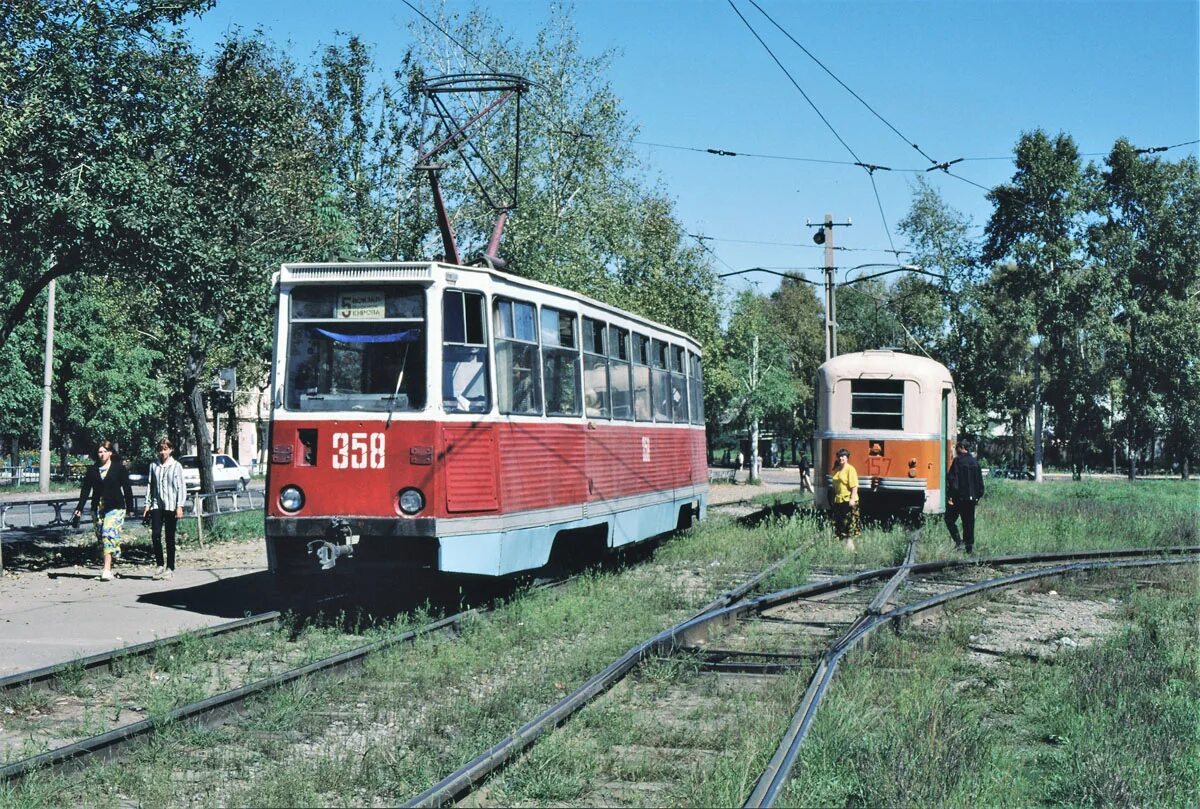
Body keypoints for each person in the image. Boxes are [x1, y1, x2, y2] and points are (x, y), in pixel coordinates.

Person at [73, 440, 135, 581]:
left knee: (108, 533)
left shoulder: (119, 468)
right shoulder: (92, 470)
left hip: (116, 507)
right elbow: (85, 490)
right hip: (98, 508)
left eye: (105, 451)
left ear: (110, 453)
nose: (102, 454)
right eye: (100, 452)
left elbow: (127, 488)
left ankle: (106, 570)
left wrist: (130, 508)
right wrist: (79, 509)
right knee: (102, 538)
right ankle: (113, 552)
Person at [143, 437, 186, 580]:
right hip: (157, 504)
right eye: (161, 449)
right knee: (155, 534)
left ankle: (170, 567)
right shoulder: (153, 466)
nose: (163, 452)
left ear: (171, 449)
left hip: (171, 505)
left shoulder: (176, 466)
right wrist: (147, 504)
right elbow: (150, 484)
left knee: (169, 537)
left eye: (165, 449)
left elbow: (181, 487)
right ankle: (160, 564)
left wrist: (179, 506)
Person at [945, 438, 985, 553]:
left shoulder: (957, 462)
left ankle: (958, 541)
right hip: (971, 499)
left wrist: (951, 496)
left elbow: (953, 480)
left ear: (962, 448)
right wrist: (977, 496)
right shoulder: (975, 462)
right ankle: (969, 548)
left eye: (957, 448)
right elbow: (980, 483)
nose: (956, 451)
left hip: (959, 498)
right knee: (969, 522)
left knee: (949, 519)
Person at [829, 447, 860, 549]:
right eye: (839, 456)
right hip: (838, 500)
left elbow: (854, 486)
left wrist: (852, 499)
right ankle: (841, 544)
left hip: (848, 500)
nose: (841, 458)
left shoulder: (850, 469)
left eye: (843, 456)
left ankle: (850, 546)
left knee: (849, 523)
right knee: (839, 523)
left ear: (847, 458)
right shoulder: (837, 470)